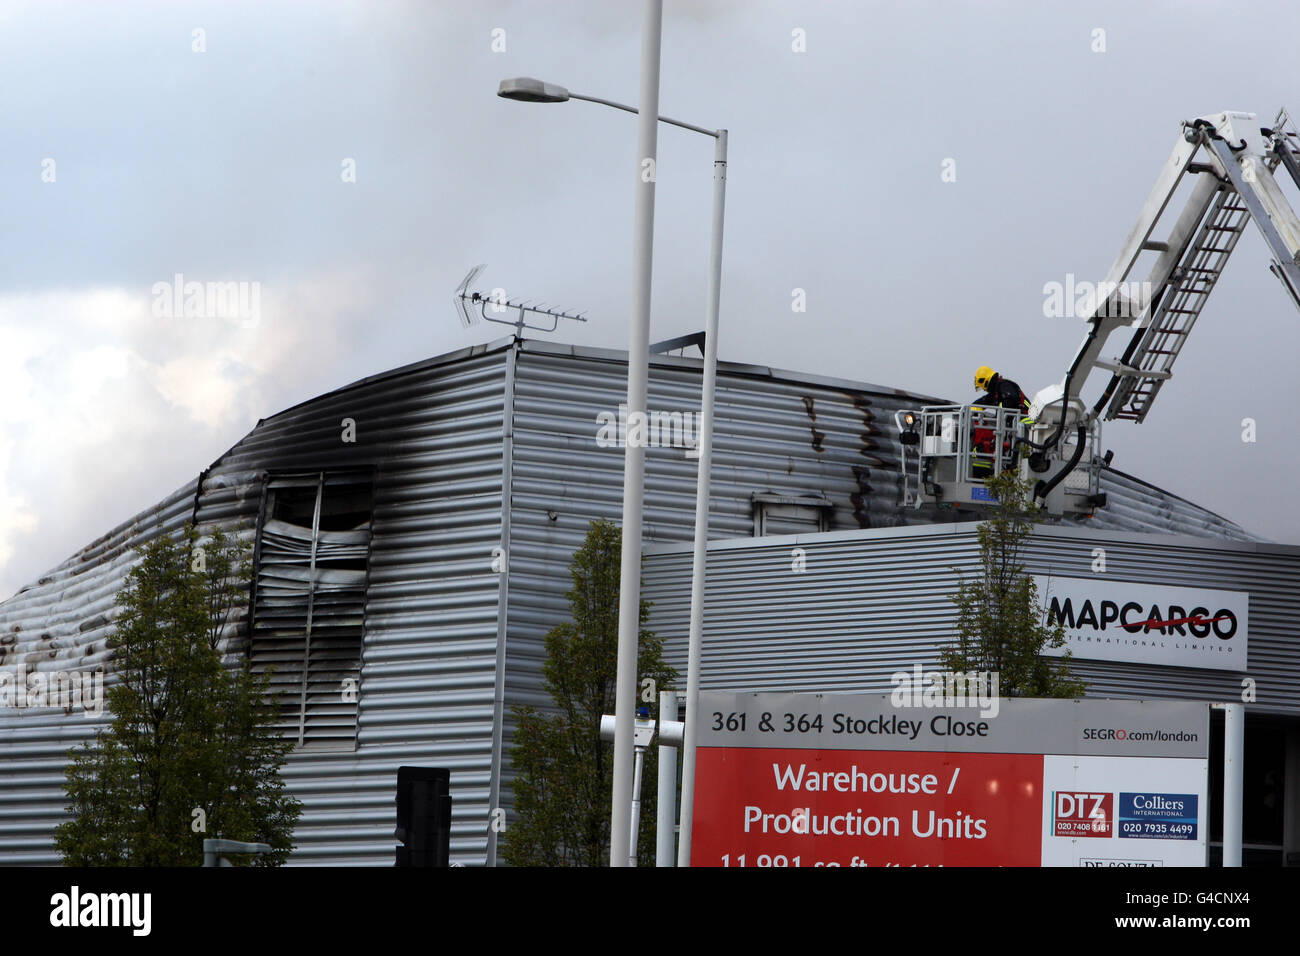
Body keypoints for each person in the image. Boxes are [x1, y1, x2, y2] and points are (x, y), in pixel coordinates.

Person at [970, 366, 1031, 476]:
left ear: (986, 381)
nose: (984, 389)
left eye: (983, 387)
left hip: (1026, 419)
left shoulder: (1004, 385)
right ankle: (1008, 466)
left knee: (1014, 442)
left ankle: (1012, 465)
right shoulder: (997, 391)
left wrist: (998, 413)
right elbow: (983, 401)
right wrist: (972, 408)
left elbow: (1011, 400)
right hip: (1015, 422)